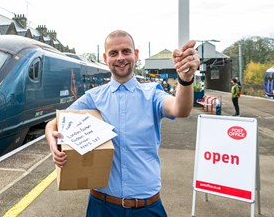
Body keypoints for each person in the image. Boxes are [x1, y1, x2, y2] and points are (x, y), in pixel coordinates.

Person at [45, 30, 200, 217]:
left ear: (136, 54)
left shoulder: (153, 95)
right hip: (102, 206)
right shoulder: (93, 98)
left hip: (146, 207)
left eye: (126, 51)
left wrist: (185, 79)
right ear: (105, 58)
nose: (120, 58)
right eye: (113, 53)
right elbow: (53, 124)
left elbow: (180, 109)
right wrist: (54, 145)